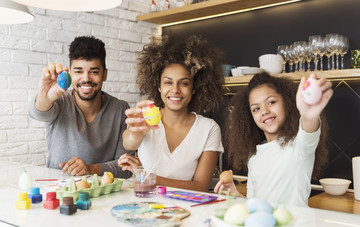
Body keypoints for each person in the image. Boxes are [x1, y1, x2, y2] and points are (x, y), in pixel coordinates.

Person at [118, 35, 225, 192]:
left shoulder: (209, 128)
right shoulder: (147, 119)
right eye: (168, 82)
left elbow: (200, 186)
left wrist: (147, 176)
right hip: (143, 205)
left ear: (195, 88)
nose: (175, 90)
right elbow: (129, 143)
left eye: (184, 83)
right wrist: (136, 131)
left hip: (186, 208)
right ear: (159, 87)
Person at [214, 72, 333, 207]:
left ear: (287, 103)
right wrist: (236, 196)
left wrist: (308, 115)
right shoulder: (254, 157)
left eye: (271, 102)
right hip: (264, 226)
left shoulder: (299, 146)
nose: (264, 111)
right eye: (256, 109)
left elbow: (308, 129)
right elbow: (255, 204)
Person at [28, 36, 132, 178]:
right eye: (78, 71)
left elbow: (126, 168)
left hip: (105, 195)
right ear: (70, 73)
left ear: (105, 74)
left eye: (94, 71)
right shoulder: (59, 101)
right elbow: (38, 113)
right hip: (58, 193)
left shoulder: (120, 109)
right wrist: (45, 97)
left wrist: (92, 169)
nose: (86, 78)